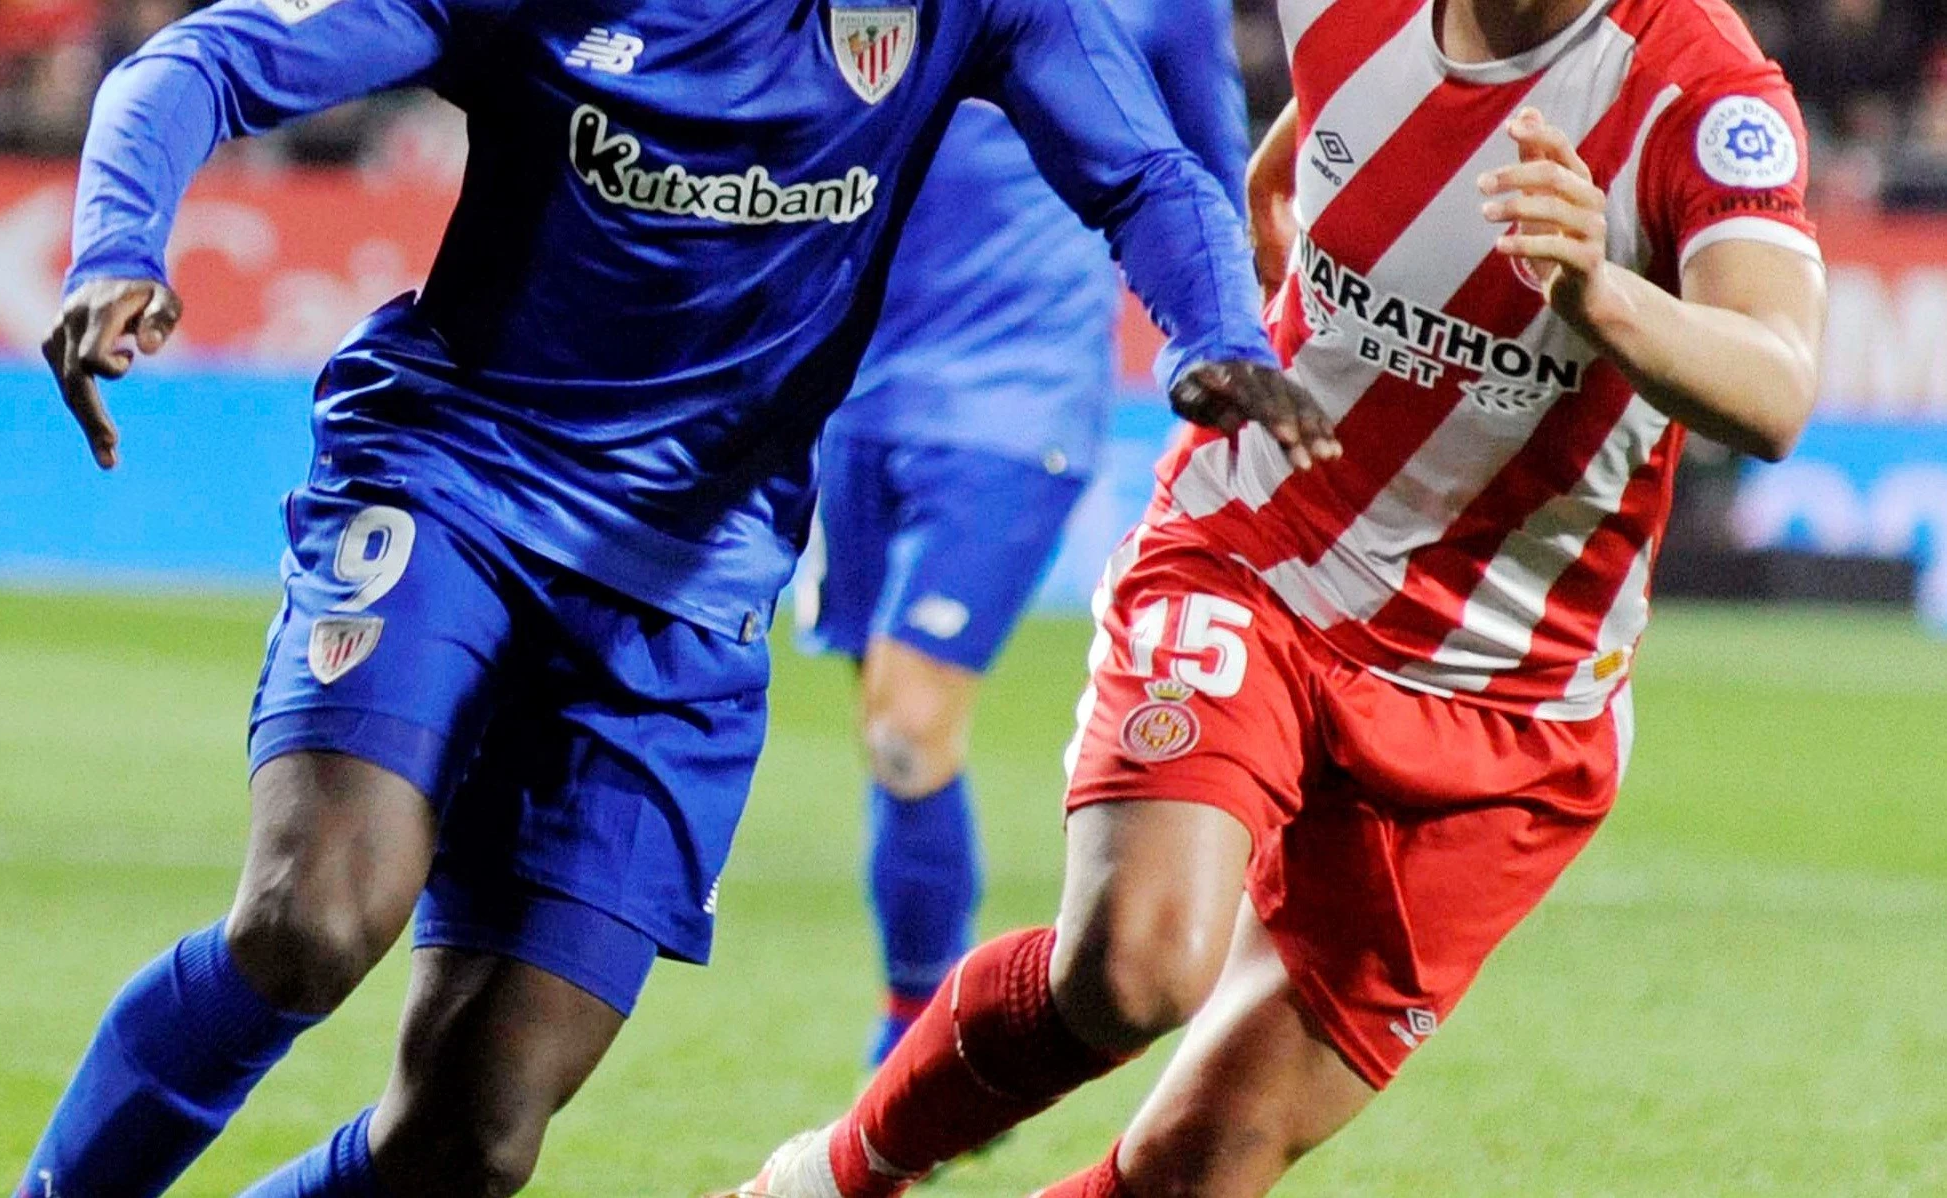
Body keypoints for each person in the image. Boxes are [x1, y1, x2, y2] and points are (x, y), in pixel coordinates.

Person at [10, 0, 1342, 1190]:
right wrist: (116, 244)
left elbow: (1148, 173)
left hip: (689, 590)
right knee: (312, 918)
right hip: (455, 490)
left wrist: (1216, 337)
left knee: (473, 1136)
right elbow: (201, 61)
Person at [723, 0, 1827, 1194]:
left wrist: (1600, 291)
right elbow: (1348, 91)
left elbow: (1772, 385)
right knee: (1137, 965)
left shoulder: (1703, 93)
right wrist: (1272, 162)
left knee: (1205, 1158)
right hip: (1261, 554)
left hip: (1510, 690)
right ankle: (821, 1183)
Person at [797, 0, 1253, 1068]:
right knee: (885, 723)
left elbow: (1209, 180)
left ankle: (913, 1038)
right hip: (849, 396)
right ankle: (916, 995)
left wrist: (1240, 350)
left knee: (909, 721)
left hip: (1018, 403)